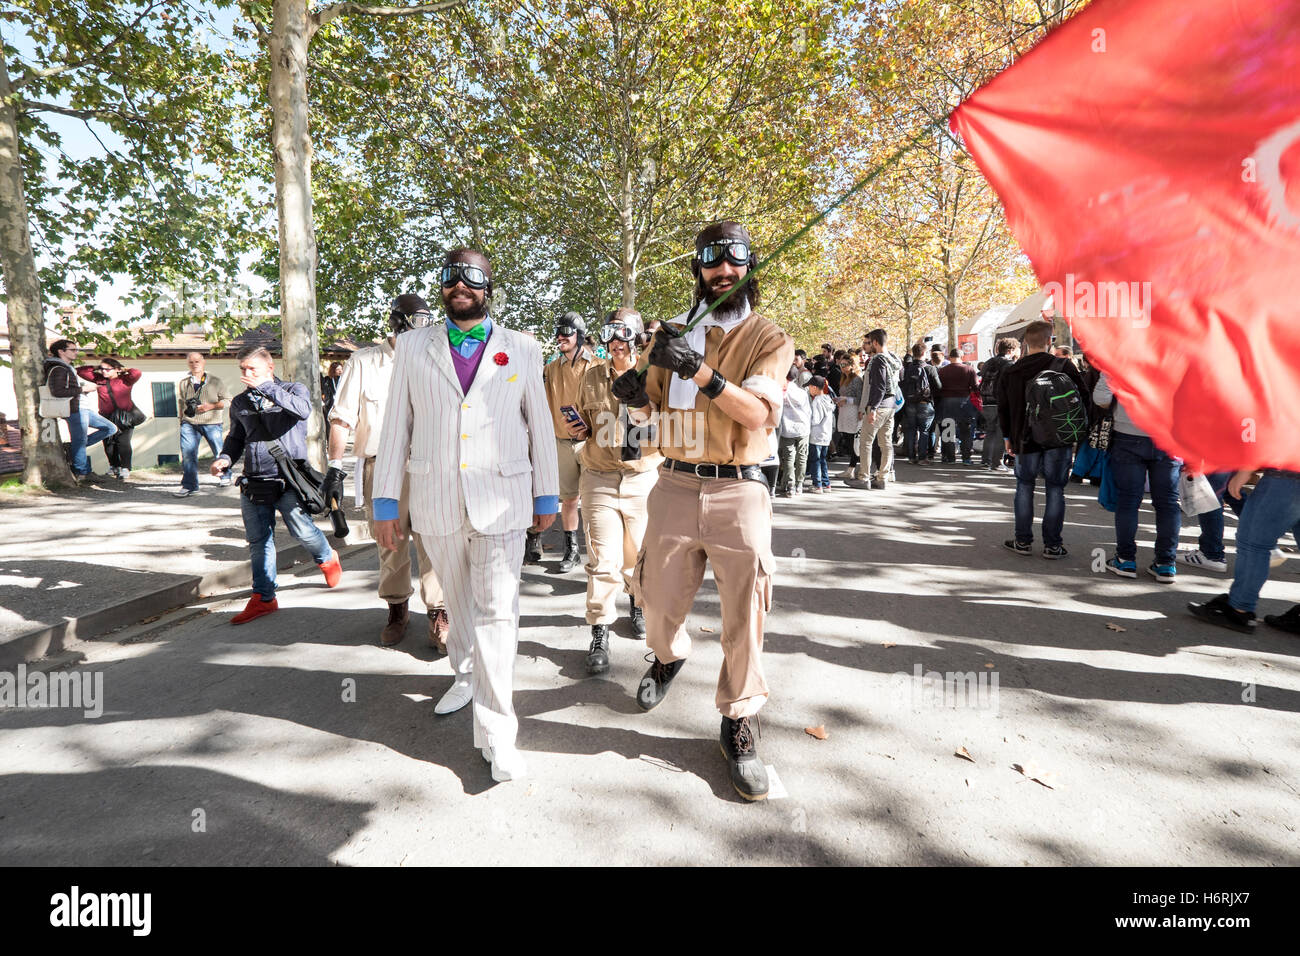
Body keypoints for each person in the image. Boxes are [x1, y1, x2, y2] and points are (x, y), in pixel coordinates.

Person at [612, 220, 793, 801]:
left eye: (735, 261)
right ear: (698, 268)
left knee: (746, 613)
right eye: (712, 261)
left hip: (740, 490)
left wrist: (699, 369)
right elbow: (654, 423)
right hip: (673, 484)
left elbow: (757, 416)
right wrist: (635, 398)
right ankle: (669, 656)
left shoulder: (769, 338)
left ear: (749, 268)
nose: (724, 271)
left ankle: (738, 719)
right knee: (655, 599)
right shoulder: (669, 335)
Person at [372, 247, 558, 783]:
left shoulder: (522, 348)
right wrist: (386, 502)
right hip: (435, 500)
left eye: (472, 276)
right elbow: (395, 428)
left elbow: (539, 425)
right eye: (450, 275)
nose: (461, 284)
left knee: (498, 613)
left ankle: (498, 733)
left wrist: (547, 494)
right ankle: (464, 674)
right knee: (458, 605)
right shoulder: (411, 346)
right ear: (442, 286)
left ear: (489, 286)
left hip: (502, 499)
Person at [325, 294, 449, 652]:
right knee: (390, 544)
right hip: (381, 467)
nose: (425, 328)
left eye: (429, 321)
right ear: (398, 322)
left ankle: (439, 614)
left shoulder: (434, 362)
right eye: (418, 321)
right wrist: (335, 467)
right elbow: (342, 417)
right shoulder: (364, 362)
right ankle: (397, 610)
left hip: (428, 466)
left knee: (434, 542)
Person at [210, 345, 343, 624]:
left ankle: (326, 556)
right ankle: (264, 598)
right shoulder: (240, 403)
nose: (247, 374)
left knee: (302, 531)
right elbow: (236, 438)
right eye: (243, 369)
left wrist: (267, 388)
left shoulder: (293, 390)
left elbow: (303, 411)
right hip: (255, 480)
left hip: (288, 479)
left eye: (252, 369)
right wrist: (224, 459)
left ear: (269, 368)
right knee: (259, 541)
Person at [573, 308, 661, 674]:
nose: (615, 341)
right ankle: (600, 629)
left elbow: (668, 425)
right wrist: (577, 430)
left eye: (623, 333)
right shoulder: (592, 376)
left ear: (638, 337)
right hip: (599, 477)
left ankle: (637, 605)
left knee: (639, 557)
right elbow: (581, 420)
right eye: (609, 333)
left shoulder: (656, 373)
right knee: (602, 560)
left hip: (643, 477)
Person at [996, 319, 1091, 558]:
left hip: (1024, 437)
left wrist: (1008, 437)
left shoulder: (1012, 370)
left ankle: (1023, 541)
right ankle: (1053, 545)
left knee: (1024, 486)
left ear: (1025, 342)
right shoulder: (1064, 366)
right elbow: (1084, 400)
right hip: (1058, 438)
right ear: (1050, 340)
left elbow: (1003, 407)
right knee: (1056, 489)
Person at [1093, 371, 1181, 582]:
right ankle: (1165, 564)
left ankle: (1125, 559)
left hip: (1128, 434)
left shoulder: (1121, 356)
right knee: (1168, 502)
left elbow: (1101, 398)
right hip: (1170, 436)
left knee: (1128, 500)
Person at [1189, 468, 1300, 633]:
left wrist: (1246, 469)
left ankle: (1238, 609)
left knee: (1253, 543)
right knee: (1255, 542)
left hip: (1289, 473)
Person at [536, 311, 599, 572]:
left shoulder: (597, 367)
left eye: (567, 332)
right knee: (570, 500)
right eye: (558, 332)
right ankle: (571, 550)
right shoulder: (550, 368)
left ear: (580, 335)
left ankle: (598, 555)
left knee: (595, 502)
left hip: (592, 444)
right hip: (561, 442)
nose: (561, 336)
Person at [44, 339, 109, 481]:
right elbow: (57, 392)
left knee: (109, 428)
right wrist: (83, 389)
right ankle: (82, 472)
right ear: (61, 351)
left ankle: (71, 449)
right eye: (72, 350)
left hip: (82, 407)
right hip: (74, 409)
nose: (76, 352)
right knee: (79, 441)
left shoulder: (67, 367)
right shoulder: (59, 369)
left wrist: (82, 390)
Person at [175, 352, 232, 497]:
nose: (194, 364)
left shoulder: (215, 381)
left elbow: (228, 400)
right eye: (191, 362)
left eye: (197, 361)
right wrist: (181, 419)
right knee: (188, 454)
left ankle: (225, 476)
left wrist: (211, 406)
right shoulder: (184, 382)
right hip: (189, 422)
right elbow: (181, 402)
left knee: (219, 451)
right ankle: (190, 486)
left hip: (212, 422)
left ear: (204, 362)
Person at [77, 357, 142, 479]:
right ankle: (114, 466)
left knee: (123, 442)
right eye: (102, 369)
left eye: (107, 369)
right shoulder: (99, 379)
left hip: (124, 416)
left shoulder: (125, 379)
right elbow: (80, 371)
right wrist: (96, 367)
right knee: (108, 443)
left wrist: (124, 369)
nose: (104, 372)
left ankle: (125, 468)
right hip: (106, 416)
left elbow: (137, 373)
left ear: (116, 369)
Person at [854, 328, 901, 488]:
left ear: (875, 342)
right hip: (891, 406)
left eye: (869, 343)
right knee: (886, 442)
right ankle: (883, 477)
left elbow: (879, 386)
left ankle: (864, 477)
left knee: (866, 442)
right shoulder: (893, 359)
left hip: (879, 406)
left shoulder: (878, 360)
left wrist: (872, 408)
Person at [979, 338, 1019, 472]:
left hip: (986, 401)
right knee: (1001, 433)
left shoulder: (988, 363)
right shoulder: (1009, 364)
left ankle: (986, 460)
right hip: (1000, 402)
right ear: (1011, 350)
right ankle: (996, 462)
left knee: (990, 432)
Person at [899, 343, 941, 465]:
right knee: (924, 430)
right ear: (924, 353)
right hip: (925, 403)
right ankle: (922, 458)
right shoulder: (930, 368)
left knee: (911, 430)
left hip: (910, 403)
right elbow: (938, 386)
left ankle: (911, 457)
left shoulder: (907, 368)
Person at [936, 347, 978, 465]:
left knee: (948, 430)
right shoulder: (969, 369)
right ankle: (966, 458)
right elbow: (975, 387)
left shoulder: (942, 370)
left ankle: (949, 457)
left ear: (950, 357)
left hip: (947, 402)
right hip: (964, 402)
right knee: (966, 431)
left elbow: (938, 387)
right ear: (962, 357)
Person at [776, 364, 810, 496]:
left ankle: (790, 484)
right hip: (803, 427)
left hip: (787, 428)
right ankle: (799, 484)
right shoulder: (802, 392)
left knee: (789, 457)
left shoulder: (781, 392)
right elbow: (808, 411)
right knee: (802, 457)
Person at [834, 353, 863, 473]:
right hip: (844, 412)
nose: (841, 366)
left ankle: (853, 468)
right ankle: (852, 468)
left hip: (853, 413)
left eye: (844, 364)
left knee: (853, 441)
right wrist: (839, 400)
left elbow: (860, 398)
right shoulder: (844, 378)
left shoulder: (857, 379)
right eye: (841, 364)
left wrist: (846, 400)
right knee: (848, 439)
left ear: (852, 365)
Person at [807, 374, 834, 493]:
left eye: (809, 387)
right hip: (826, 435)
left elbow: (815, 419)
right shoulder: (828, 399)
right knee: (822, 459)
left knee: (815, 460)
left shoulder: (817, 401)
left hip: (816, 435)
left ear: (814, 387)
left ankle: (817, 484)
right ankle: (826, 483)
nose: (808, 389)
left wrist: (807, 419)